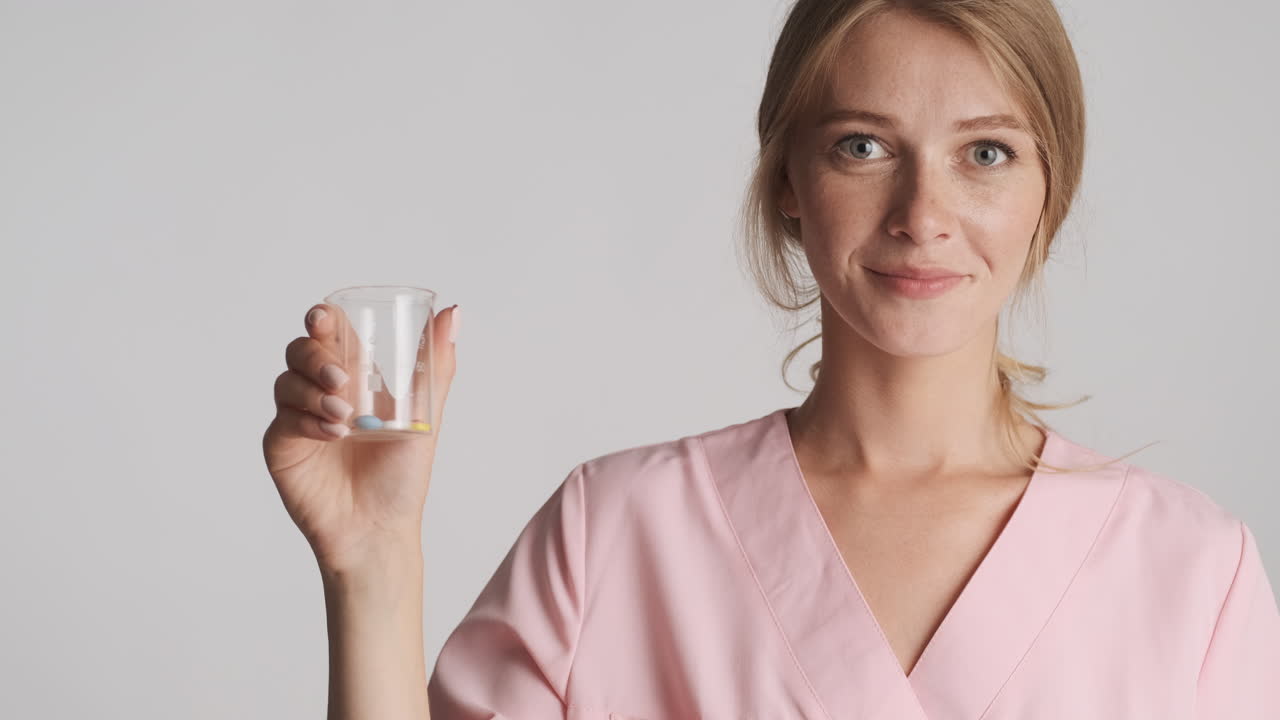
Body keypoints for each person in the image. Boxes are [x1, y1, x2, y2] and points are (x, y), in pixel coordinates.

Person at [263, 1, 1280, 718]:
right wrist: (374, 564)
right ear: (787, 178)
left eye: (984, 153)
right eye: (861, 146)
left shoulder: (1193, 575)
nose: (922, 216)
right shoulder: (613, 536)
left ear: (1046, 190)